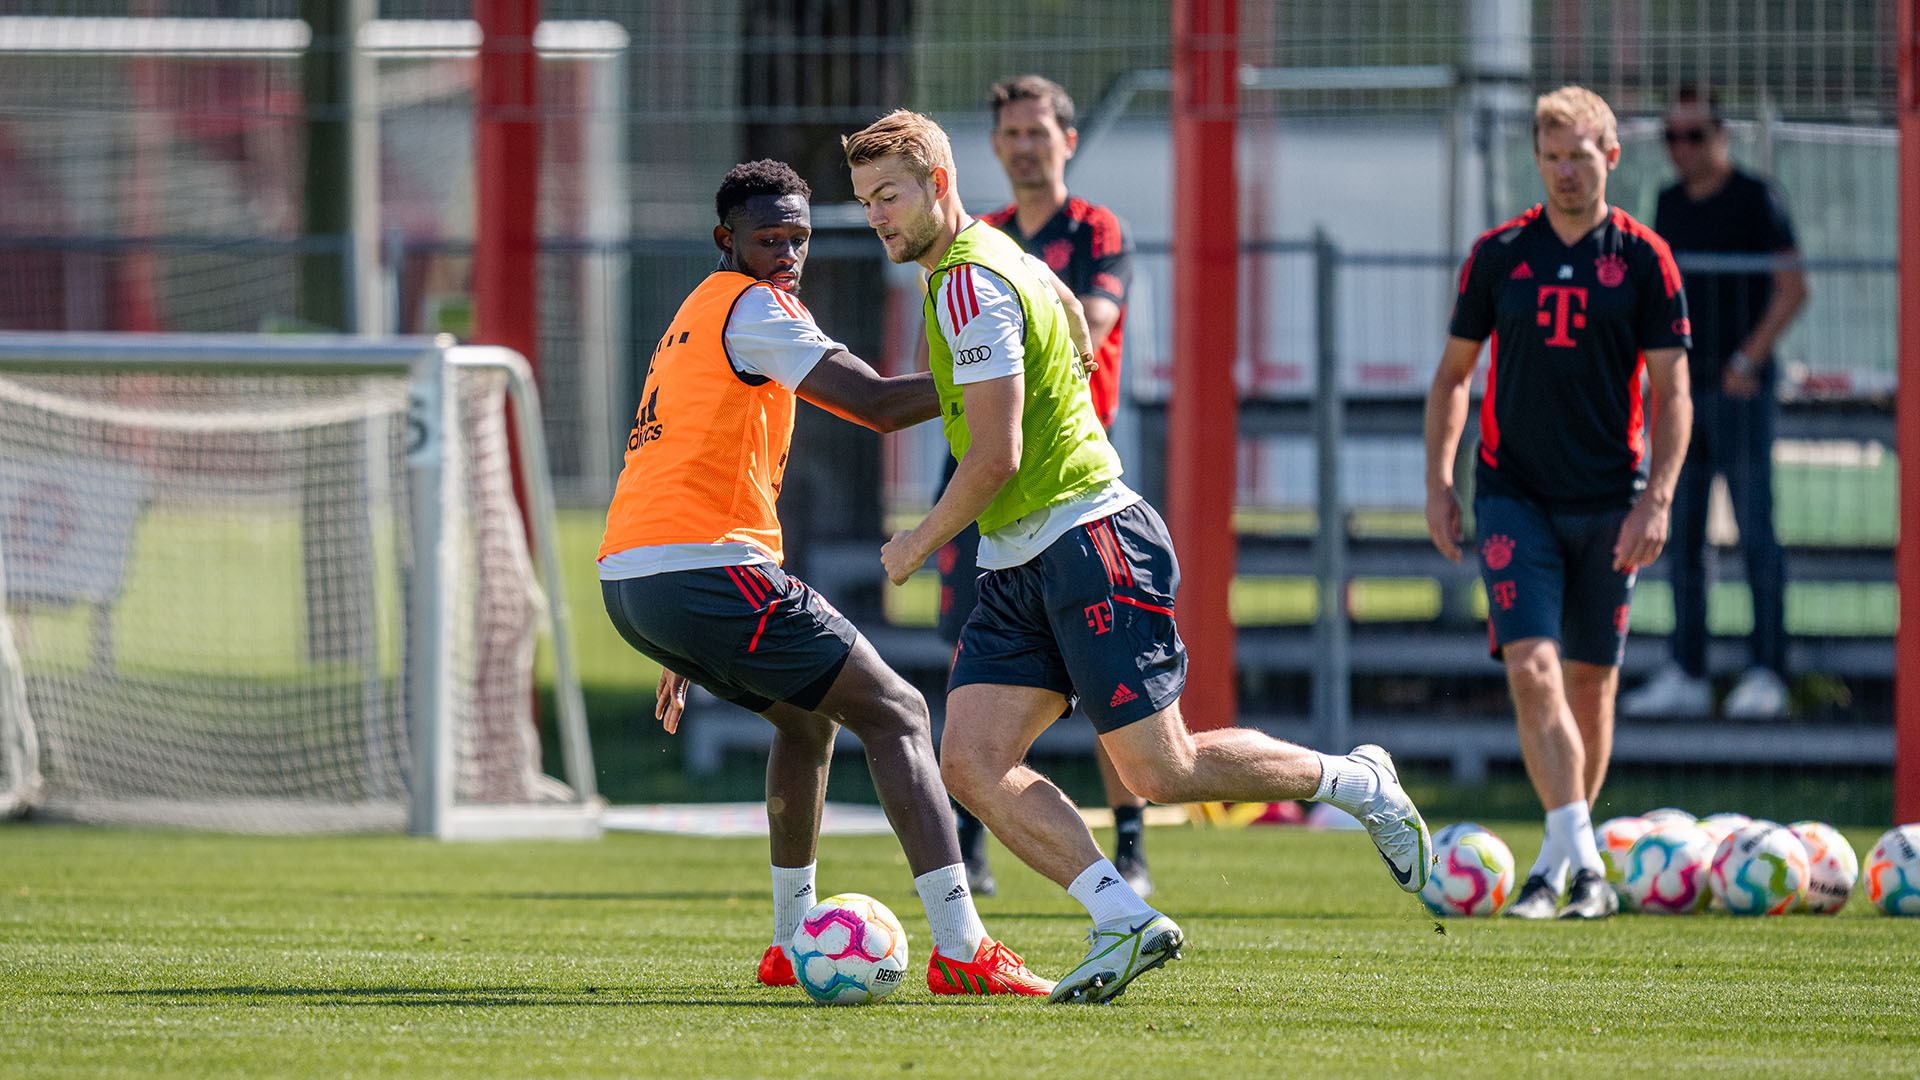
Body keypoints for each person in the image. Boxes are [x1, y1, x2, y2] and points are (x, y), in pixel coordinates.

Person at [845, 109, 1433, 1005]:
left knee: (1160, 772)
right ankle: (1122, 916)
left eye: (889, 195)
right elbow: (1063, 309)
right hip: (1018, 561)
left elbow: (996, 452)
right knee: (968, 759)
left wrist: (916, 545)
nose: (878, 216)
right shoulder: (996, 259)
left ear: (938, 180)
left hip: (1087, 540)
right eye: (865, 202)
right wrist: (1072, 327)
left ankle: (1356, 780)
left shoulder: (969, 281)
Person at [598, 159, 1052, 997]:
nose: (787, 256)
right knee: (900, 711)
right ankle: (964, 947)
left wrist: (676, 630)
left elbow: (676, 459)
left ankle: (786, 942)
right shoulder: (755, 308)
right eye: (769, 240)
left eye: (799, 239)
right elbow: (876, 405)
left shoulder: (693, 315)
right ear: (725, 240)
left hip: (638, 582)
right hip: (697, 573)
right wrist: (996, 373)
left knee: (807, 725)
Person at [1424, 86, 1694, 920]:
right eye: (1552, 156)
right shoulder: (1500, 255)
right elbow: (1454, 378)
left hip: (1613, 501)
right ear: (1535, 162)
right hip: (1514, 497)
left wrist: (1659, 498)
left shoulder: (1645, 258)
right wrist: (1440, 480)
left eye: (1582, 154)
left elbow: (1674, 390)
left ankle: (1567, 864)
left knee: (1590, 684)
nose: (1566, 170)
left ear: (1612, 157)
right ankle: (1571, 860)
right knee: (1531, 668)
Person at [938, 73, 1153, 900]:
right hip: (986, 479)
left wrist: (1000, 348)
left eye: (1039, 132)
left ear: (1067, 139)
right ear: (995, 146)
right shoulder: (983, 237)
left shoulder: (1097, 232)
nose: (1025, 146)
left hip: (1070, 485)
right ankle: (971, 842)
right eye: (1011, 134)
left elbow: (1088, 324)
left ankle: (1129, 842)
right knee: (973, 658)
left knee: (1110, 673)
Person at [1619, 85, 1809, 722]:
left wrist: (1746, 359)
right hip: (1680, 395)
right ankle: (1689, 671)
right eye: (1671, 137)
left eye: (1694, 136)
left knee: (1757, 532)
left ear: (1721, 136)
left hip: (1740, 393)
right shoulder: (1667, 203)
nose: (1682, 150)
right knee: (1681, 534)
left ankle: (1767, 672)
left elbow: (1791, 288)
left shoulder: (1758, 198)